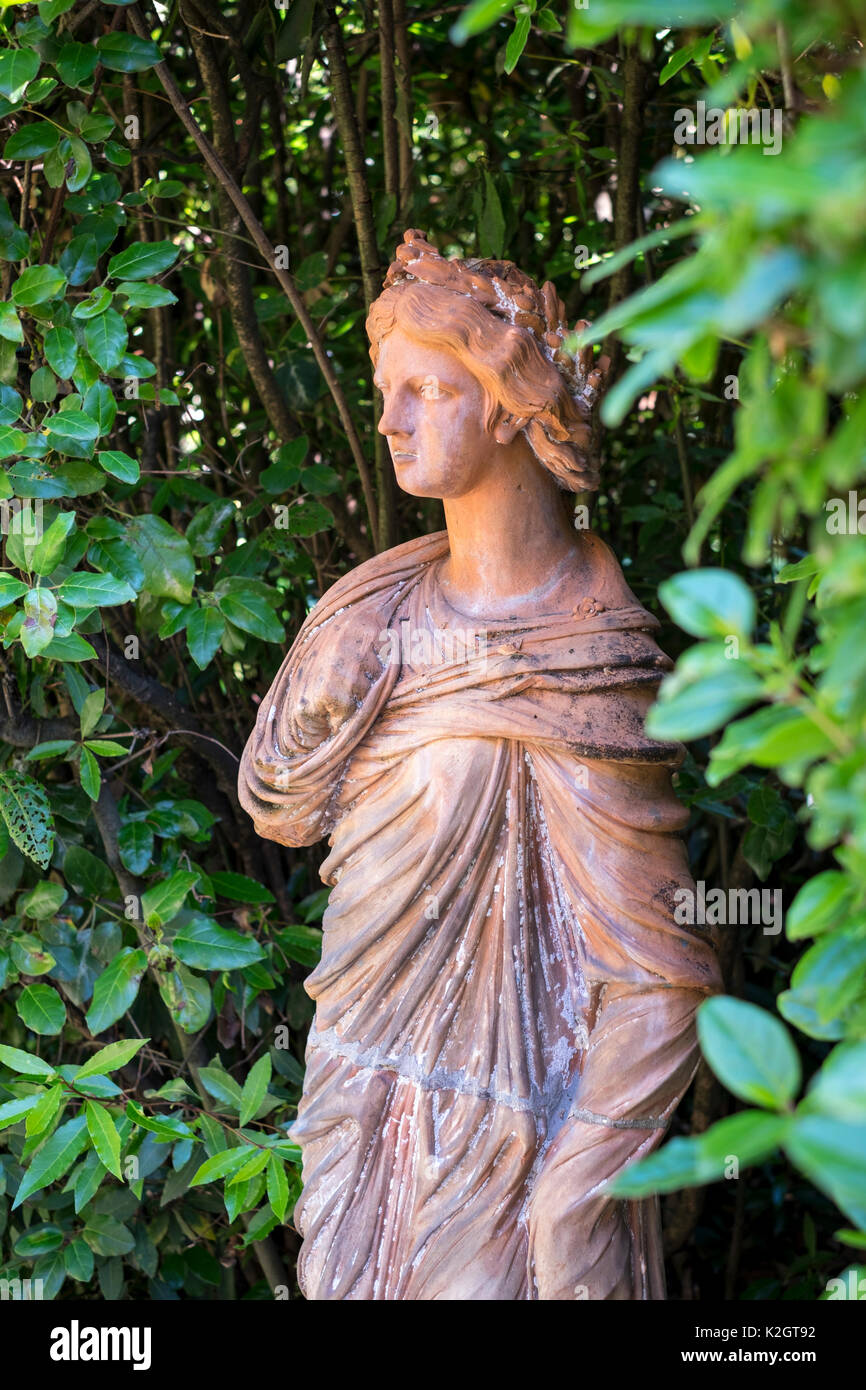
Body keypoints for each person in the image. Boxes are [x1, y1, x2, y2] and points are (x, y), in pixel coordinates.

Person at [238, 228, 722, 1300]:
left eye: (425, 390)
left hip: (509, 1141)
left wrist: (576, 1191)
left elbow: (660, 975)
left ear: (506, 406)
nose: (388, 419)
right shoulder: (367, 613)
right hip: (361, 1101)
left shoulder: (587, 659)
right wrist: (329, 700)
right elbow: (276, 806)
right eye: (383, 388)